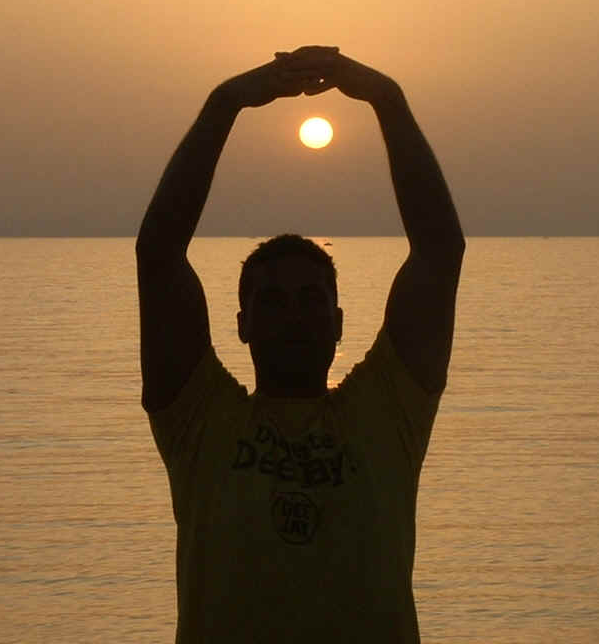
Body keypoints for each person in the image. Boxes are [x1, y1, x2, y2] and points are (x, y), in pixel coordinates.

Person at [136, 45, 464, 643]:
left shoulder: (387, 413)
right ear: (243, 324)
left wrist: (387, 99)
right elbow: (159, 254)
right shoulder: (199, 422)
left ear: (338, 323)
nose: (294, 315)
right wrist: (225, 103)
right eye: (273, 301)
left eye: (311, 299)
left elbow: (439, 251)